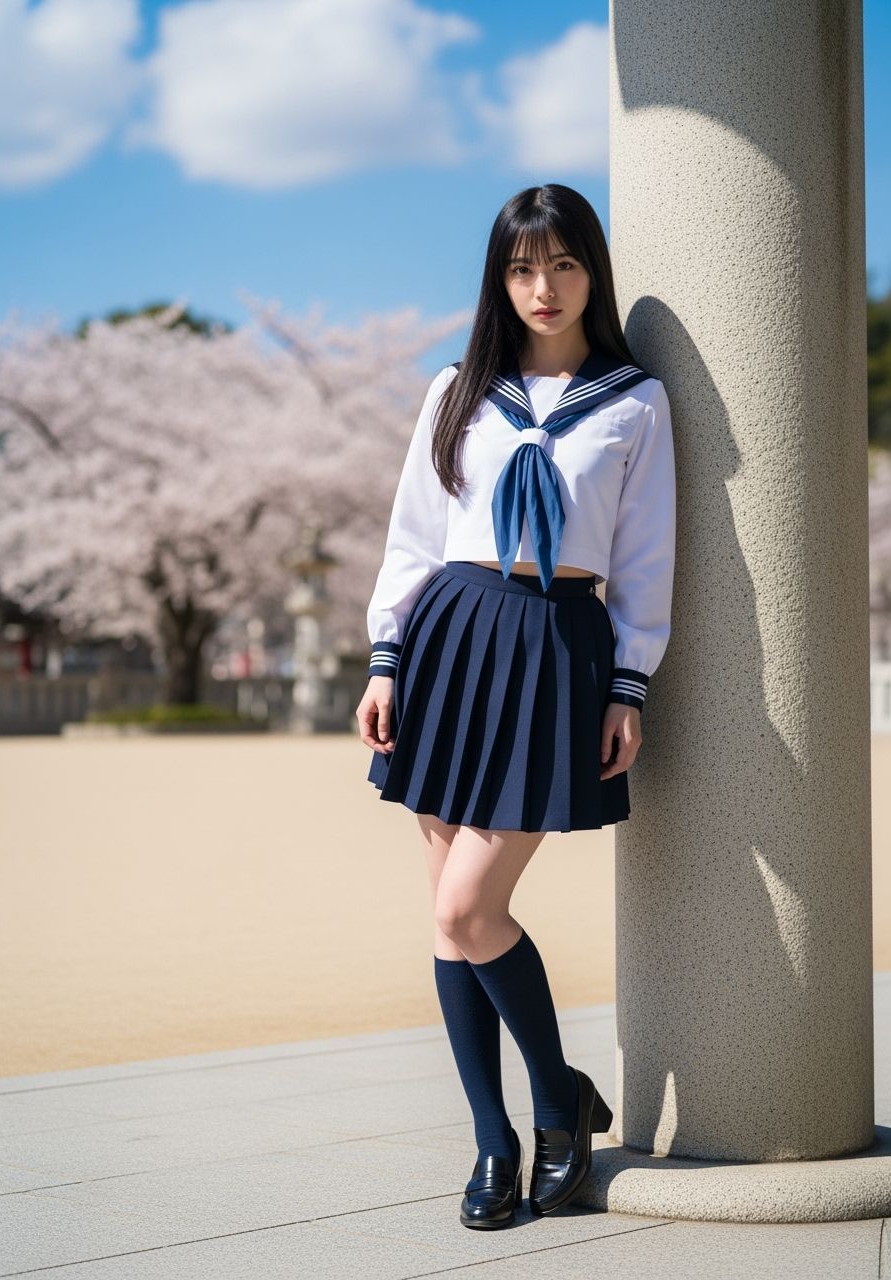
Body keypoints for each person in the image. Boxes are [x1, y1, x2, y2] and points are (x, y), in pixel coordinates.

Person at [355, 183, 676, 1229]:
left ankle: (553, 1102)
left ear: (593, 272)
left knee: (465, 906)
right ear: (499, 280)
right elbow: (413, 534)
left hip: (552, 648)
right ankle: (496, 1137)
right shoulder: (459, 389)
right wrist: (385, 657)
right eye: (521, 268)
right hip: (451, 636)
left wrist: (628, 681)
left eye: (564, 265)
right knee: (448, 919)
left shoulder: (634, 401)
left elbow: (641, 559)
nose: (543, 288)